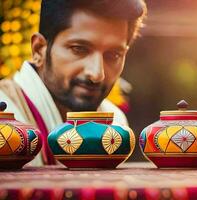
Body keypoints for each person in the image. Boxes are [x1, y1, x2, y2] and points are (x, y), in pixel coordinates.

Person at [0, 0, 147, 165]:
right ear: (39, 49)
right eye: (79, 49)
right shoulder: (6, 125)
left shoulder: (115, 122)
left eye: (113, 55)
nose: (97, 74)